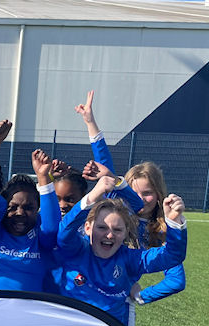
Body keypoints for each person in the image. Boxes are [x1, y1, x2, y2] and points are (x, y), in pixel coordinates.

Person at [76, 89, 186, 313]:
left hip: (115, 303)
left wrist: (139, 295)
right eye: (134, 192)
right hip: (83, 288)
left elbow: (176, 280)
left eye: (147, 193)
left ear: (159, 195)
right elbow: (103, 163)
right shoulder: (116, 205)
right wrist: (90, 122)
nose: (140, 199)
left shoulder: (160, 230)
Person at [55, 176, 187, 326]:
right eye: (102, 227)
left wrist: (174, 222)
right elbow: (64, 232)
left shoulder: (130, 259)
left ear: (126, 233)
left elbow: (172, 256)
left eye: (117, 230)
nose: (109, 235)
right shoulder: (76, 249)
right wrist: (92, 196)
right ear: (87, 228)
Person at [0, 149, 61, 292]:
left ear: (38, 209)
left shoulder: (41, 236)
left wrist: (43, 178)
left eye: (28, 207)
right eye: (13, 207)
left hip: (28, 312)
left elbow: (53, 227)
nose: (20, 213)